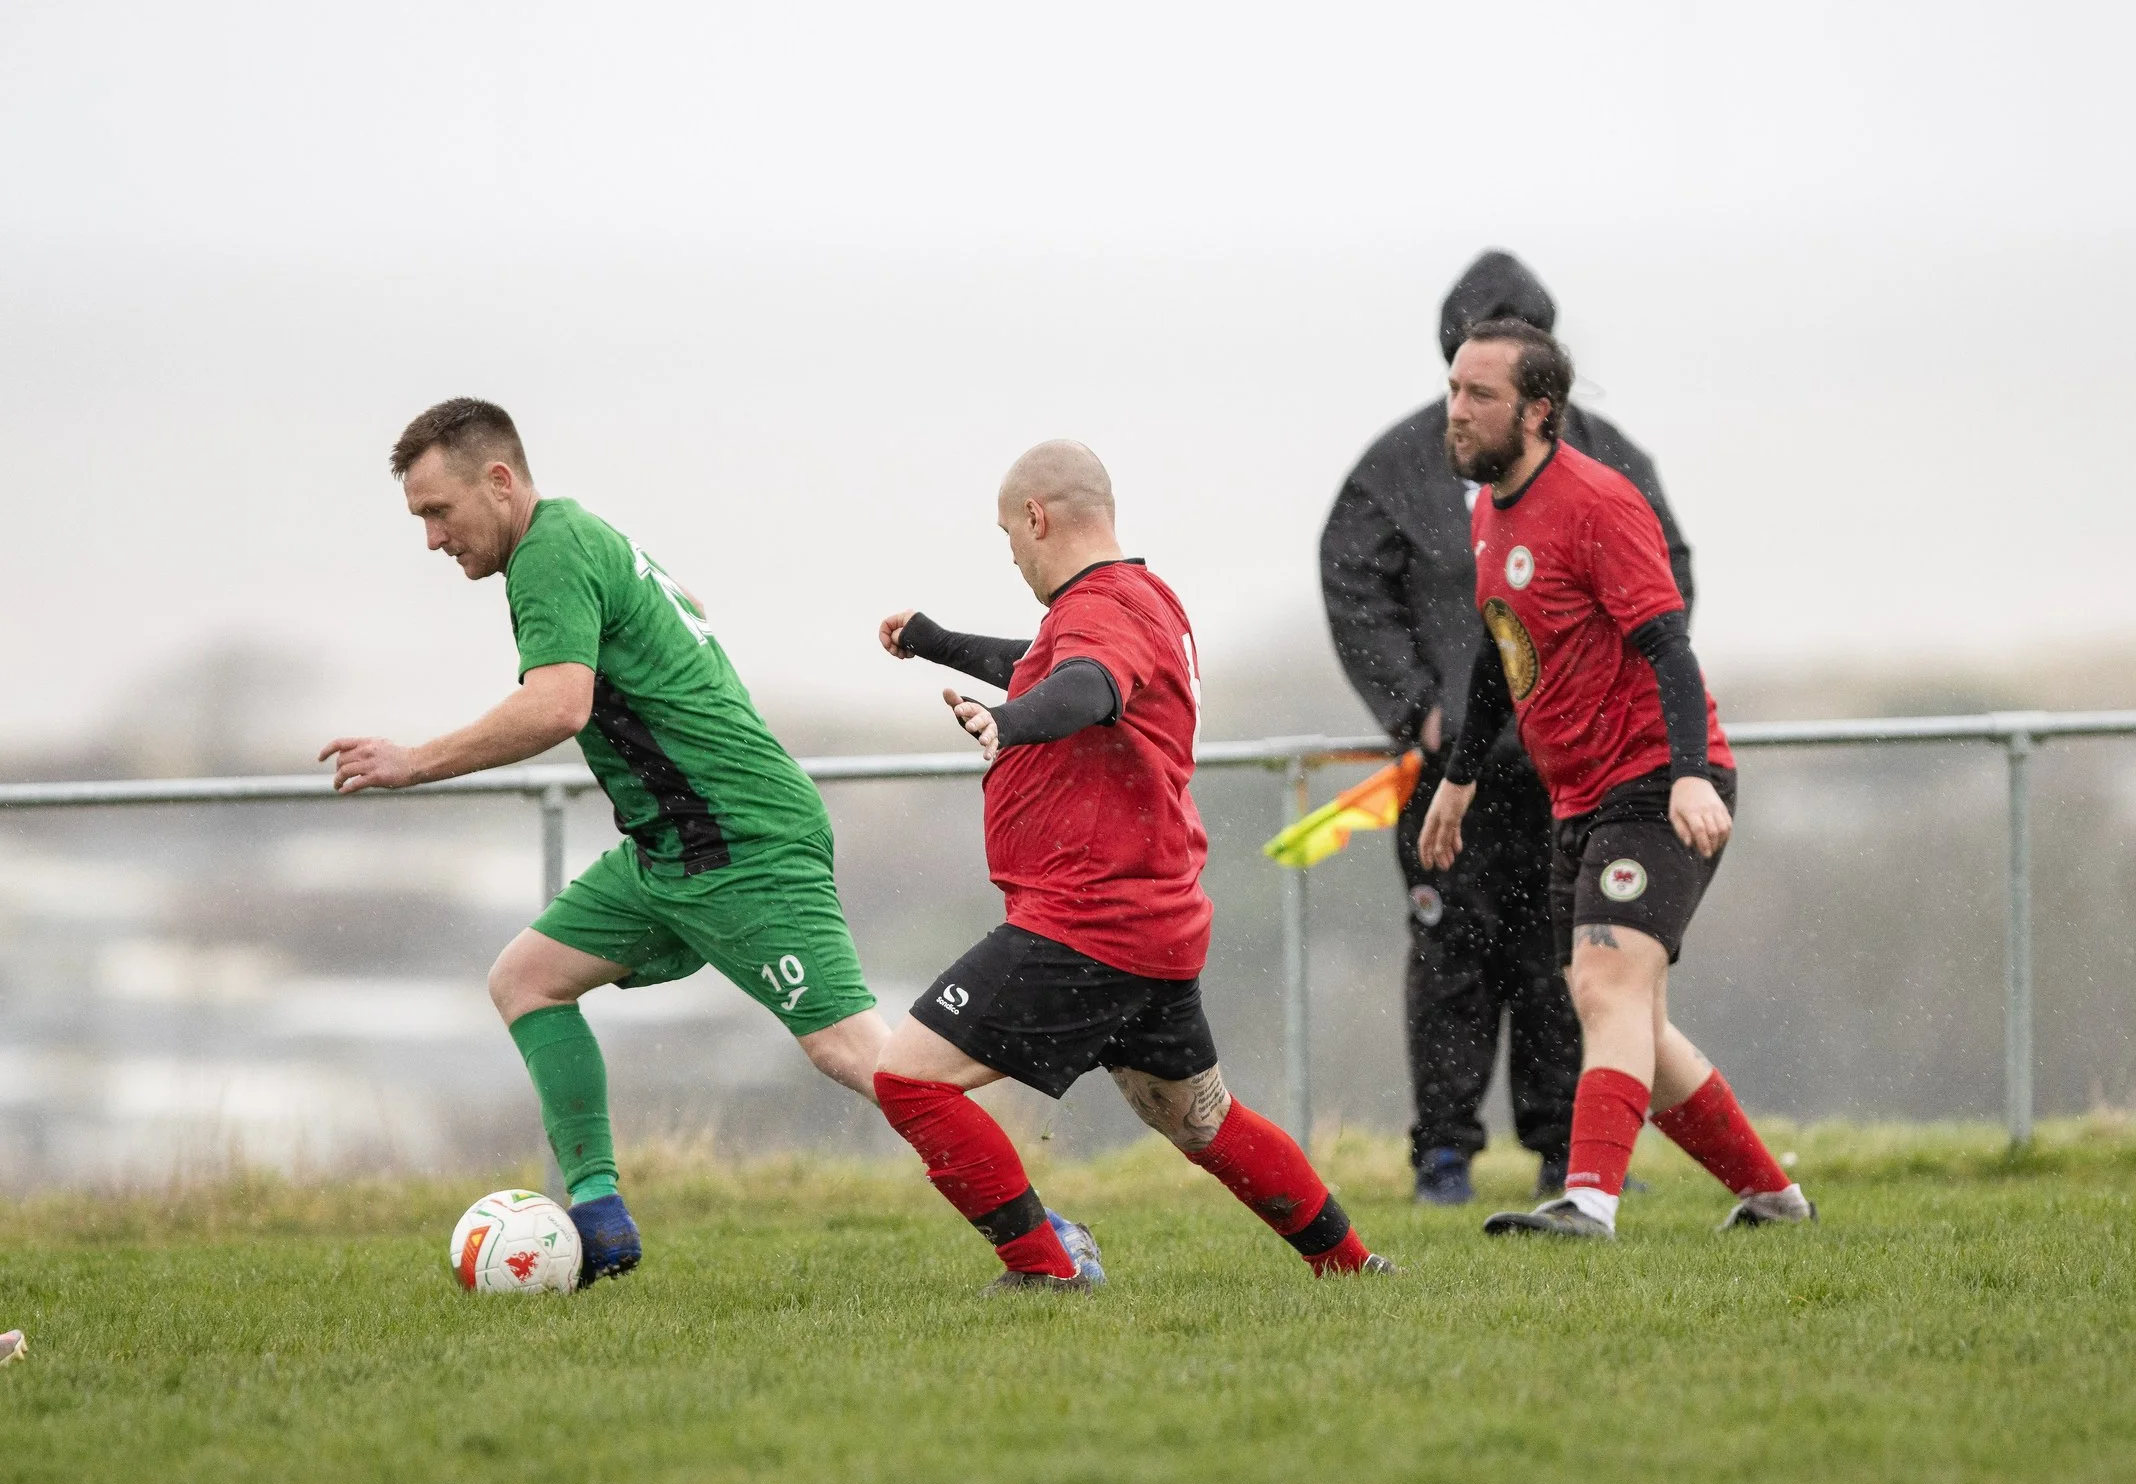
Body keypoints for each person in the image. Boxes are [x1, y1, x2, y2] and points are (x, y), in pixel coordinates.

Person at [322, 399, 891, 1285]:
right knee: (526, 979)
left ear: (499, 481)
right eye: (420, 519)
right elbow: (684, 604)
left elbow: (558, 706)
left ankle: (1032, 1223)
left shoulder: (548, 552)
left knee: (851, 1052)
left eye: (439, 512)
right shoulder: (579, 533)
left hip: (739, 839)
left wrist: (413, 762)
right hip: (668, 850)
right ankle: (600, 1219)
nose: (433, 540)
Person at [874, 440, 1395, 1289]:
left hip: (1087, 922)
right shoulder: (1133, 599)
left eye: (1009, 537)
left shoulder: (1103, 612)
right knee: (1200, 1120)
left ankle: (1042, 1268)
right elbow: (1050, 663)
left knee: (909, 1080)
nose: (1011, 556)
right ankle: (1351, 1263)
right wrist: (939, 642)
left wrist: (1008, 725)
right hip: (1147, 922)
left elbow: (1085, 687)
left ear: (1037, 517)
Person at [1416, 322, 1813, 1239]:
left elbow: (1669, 646)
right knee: (1638, 1018)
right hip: (1581, 798)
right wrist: (1459, 781)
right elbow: (1496, 657)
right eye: (1454, 389)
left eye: (1481, 395)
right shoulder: (1488, 514)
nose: (1458, 410)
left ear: (1540, 411)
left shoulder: (1599, 503)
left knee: (1604, 989)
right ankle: (1775, 1199)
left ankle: (1589, 1201)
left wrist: (1686, 776)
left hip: (1657, 783)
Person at [1321, 251, 1700, 1205]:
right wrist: (1417, 709)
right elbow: (1353, 582)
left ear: (1539, 378)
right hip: (1452, 768)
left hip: (1576, 773)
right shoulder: (1400, 466)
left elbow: (1668, 585)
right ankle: (1443, 1158)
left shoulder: (1608, 463)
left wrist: (1601, 707)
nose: (1462, 403)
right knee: (1449, 957)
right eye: (1458, 371)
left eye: (1484, 379)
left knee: (1567, 966)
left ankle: (1567, 1152)